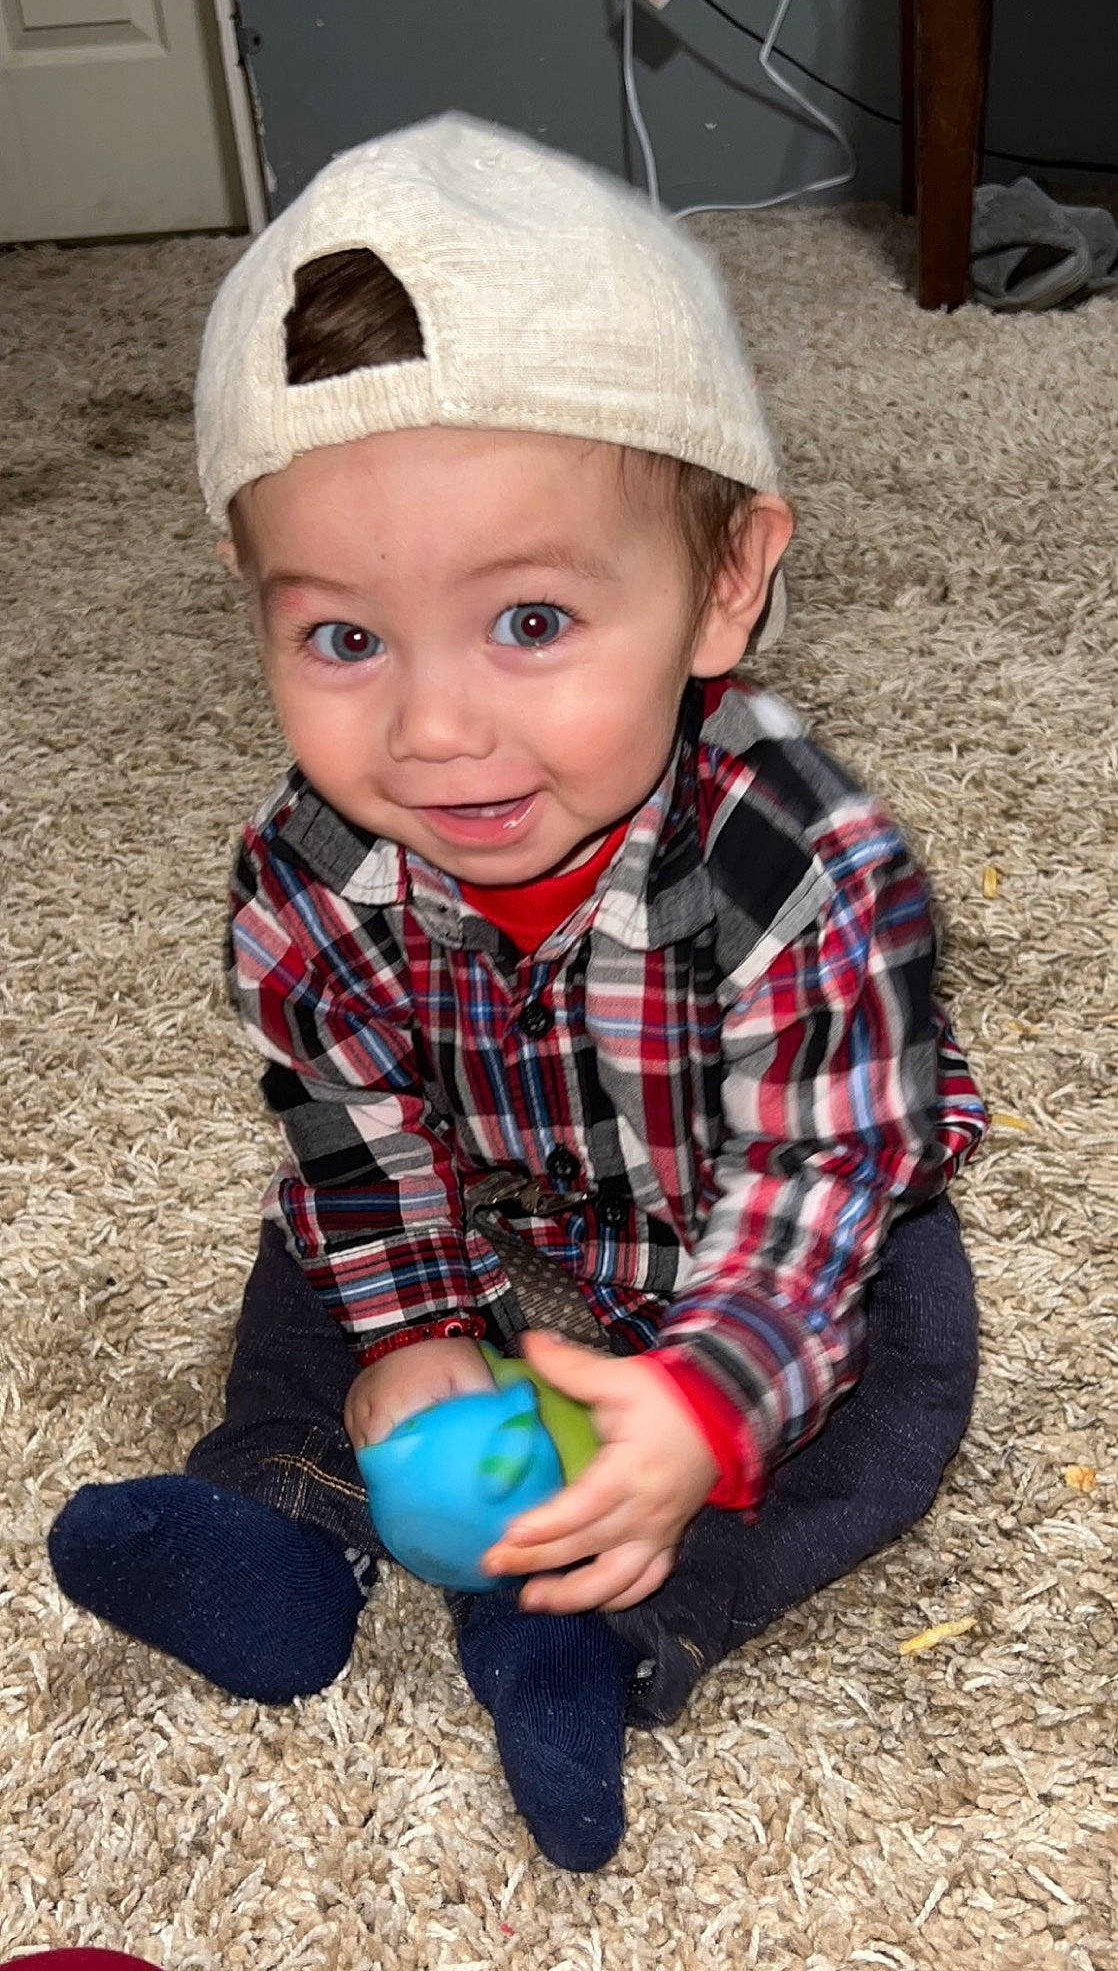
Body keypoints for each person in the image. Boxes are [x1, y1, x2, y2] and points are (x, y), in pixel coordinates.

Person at [49, 113, 988, 1872]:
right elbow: (348, 1124)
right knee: (306, 1267)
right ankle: (278, 1513)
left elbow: (819, 1179)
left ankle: (617, 1622)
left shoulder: (802, 861)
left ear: (723, 584)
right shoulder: (310, 869)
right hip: (493, 1181)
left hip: (764, 1206)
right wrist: (413, 1327)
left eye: (532, 623)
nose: (432, 728)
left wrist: (700, 1402)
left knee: (902, 1386)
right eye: (343, 639)